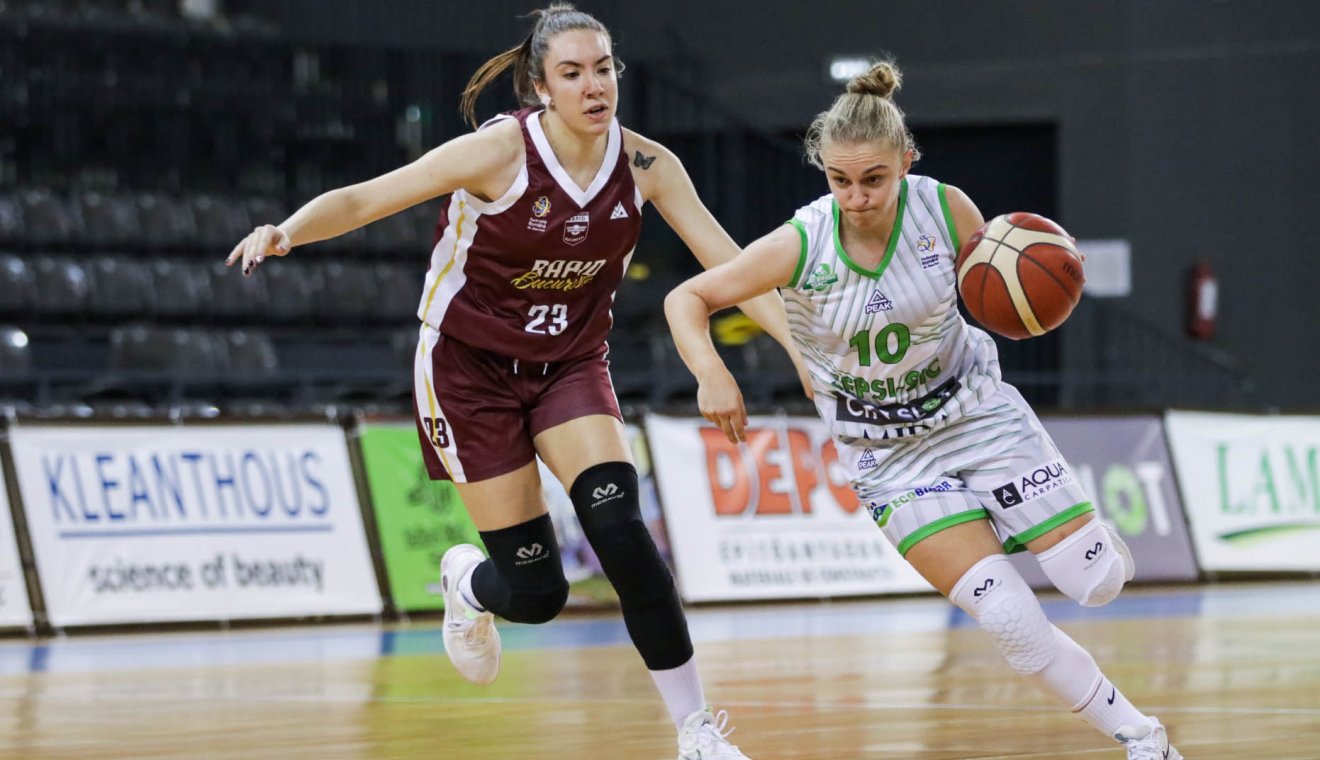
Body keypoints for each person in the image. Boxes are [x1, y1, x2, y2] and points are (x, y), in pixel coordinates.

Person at [225, 6, 810, 758]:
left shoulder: (648, 166)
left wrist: (804, 353)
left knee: (622, 533)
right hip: (467, 371)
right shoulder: (498, 152)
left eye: (603, 69)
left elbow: (731, 265)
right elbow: (369, 197)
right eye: (573, 73)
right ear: (540, 87)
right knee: (537, 596)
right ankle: (469, 584)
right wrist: (287, 231)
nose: (594, 86)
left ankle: (696, 733)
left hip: (569, 365)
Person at [663, 59, 1183, 760]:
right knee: (1011, 621)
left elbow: (1000, 281)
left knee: (1095, 584)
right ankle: (1143, 738)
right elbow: (687, 298)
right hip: (889, 456)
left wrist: (1039, 280)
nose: (856, 197)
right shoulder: (801, 243)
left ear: (907, 161)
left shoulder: (946, 209)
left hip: (977, 414)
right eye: (839, 180)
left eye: (873, 179)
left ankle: (1081, 536)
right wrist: (711, 373)